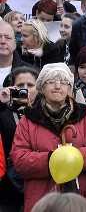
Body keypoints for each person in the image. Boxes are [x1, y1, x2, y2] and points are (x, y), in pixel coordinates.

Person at [10, 63, 86, 211]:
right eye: (51, 82)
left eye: (63, 82)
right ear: (42, 87)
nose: (57, 86)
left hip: (82, 199)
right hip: (43, 200)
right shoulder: (28, 120)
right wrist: (52, 158)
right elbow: (19, 159)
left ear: (69, 89)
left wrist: (73, 156)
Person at [0, 65, 39, 211]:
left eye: (30, 85)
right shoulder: (3, 112)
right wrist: (1, 103)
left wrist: (33, 113)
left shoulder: (45, 111)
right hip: (7, 191)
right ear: (12, 88)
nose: (25, 89)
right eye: (20, 85)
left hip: (37, 184)